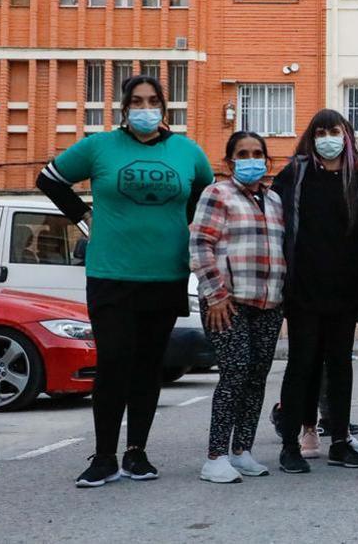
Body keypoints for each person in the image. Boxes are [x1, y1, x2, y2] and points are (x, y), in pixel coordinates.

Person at [37, 74, 214, 488]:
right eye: (137, 101)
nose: (145, 108)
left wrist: (180, 227)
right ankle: (103, 457)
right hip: (111, 274)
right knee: (114, 362)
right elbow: (49, 179)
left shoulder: (187, 152)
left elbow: (205, 199)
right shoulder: (100, 147)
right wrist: (83, 216)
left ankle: (137, 453)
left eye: (153, 101)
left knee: (149, 366)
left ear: (165, 108)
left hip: (166, 274)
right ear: (124, 108)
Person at [273, 109, 358, 473]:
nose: (328, 138)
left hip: (345, 290)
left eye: (335, 131)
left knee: (340, 366)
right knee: (302, 365)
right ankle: (291, 442)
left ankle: (341, 440)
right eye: (321, 131)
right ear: (311, 136)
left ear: (346, 136)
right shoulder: (295, 174)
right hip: (303, 289)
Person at [190, 132, 286, 484]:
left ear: (267, 160)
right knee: (234, 373)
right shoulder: (217, 194)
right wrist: (215, 294)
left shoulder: (274, 200)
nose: (252, 159)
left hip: (269, 301)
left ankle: (241, 450)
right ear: (230, 162)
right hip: (227, 303)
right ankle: (215, 457)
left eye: (258, 153)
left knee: (257, 377)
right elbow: (200, 244)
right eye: (243, 154)